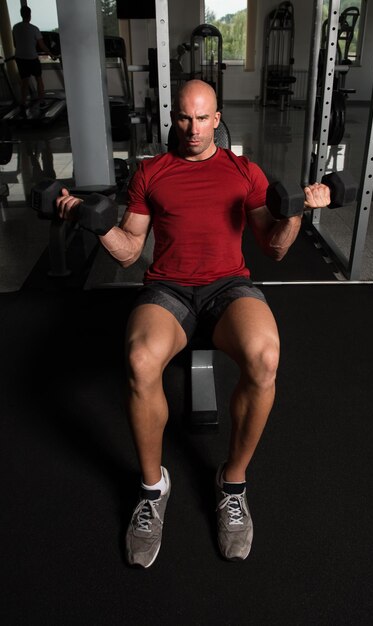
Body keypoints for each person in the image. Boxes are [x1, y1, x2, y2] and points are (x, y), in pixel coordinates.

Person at [56, 79, 330, 568]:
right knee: (140, 361)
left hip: (229, 287)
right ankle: (151, 487)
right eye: (184, 118)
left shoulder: (245, 172)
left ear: (218, 119)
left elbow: (275, 247)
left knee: (266, 357)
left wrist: (299, 213)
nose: (193, 128)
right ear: (174, 119)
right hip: (169, 289)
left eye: (203, 118)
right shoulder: (151, 173)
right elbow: (128, 253)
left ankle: (233, 482)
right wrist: (92, 222)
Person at [12, 5, 55, 113]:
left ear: (21, 14)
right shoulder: (34, 29)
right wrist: (51, 54)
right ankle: (41, 101)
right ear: (30, 15)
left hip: (20, 57)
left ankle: (22, 103)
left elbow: (15, 44)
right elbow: (42, 45)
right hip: (32, 57)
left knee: (24, 81)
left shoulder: (16, 27)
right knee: (39, 79)